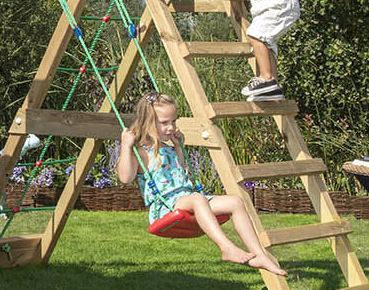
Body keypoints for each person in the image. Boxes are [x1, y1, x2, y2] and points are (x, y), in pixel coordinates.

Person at [117, 93, 286, 275]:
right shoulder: (140, 151)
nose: (171, 127)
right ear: (147, 121)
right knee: (197, 199)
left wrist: (179, 147)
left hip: (188, 198)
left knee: (235, 202)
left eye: (173, 121)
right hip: (166, 205)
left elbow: (179, 172)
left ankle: (259, 254)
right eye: (164, 123)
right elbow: (125, 178)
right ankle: (226, 247)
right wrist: (126, 147)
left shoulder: (168, 147)